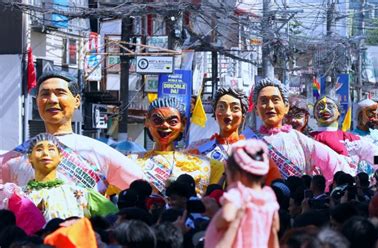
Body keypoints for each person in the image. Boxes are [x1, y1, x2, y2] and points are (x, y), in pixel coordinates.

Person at [1, 71, 143, 191]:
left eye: (60, 93)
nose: (52, 100)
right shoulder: (14, 157)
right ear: (37, 100)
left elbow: (139, 184)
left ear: (77, 101)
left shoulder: (97, 151)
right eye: (45, 94)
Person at [246, 78, 355, 184]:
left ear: (286, 106)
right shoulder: (247, 139)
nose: (270, 106)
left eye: (275, 100)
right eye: (264, 101)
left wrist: (330, 192)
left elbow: (332, 163)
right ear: (256, 109)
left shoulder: (300, 139)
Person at [10, 133, 117, 221]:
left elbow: (114, 221)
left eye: (51, 149)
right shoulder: (18, 196)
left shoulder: (81, 195)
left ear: (60, 157)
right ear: (30, 158)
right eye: (39, 149)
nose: (45, 153)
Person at [188, 87, 281, 185]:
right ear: (215, 113)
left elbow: (274, 186)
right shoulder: (198, 149)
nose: (227, 113)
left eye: (235, 108)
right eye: (221, 107)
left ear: (243, 115)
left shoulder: (257, 153)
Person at [133, 97, 223, 196]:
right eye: (157, 120)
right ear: (147, 121)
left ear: (183, 124)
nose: (165, 125)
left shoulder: (207, 165)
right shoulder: (132, 162)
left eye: (173, 122)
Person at [204, 139, 280, 248]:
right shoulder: (268, 197)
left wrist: (215, 214)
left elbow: (227, 216)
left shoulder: (238, 194)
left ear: (238, 174)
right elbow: (274, 228)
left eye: (228, 173)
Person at [310, 95, 378, 171]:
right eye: (321, 107)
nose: (325, 110)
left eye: (330, 107)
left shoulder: (352, 140)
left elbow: (377, 157)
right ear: (314, 114)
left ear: (339, 112)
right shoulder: (307, 139)